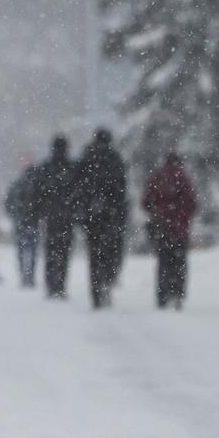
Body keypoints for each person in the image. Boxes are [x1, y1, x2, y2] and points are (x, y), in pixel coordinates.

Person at [72, 128, 130, 309]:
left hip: (91, 214)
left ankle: (96, 290)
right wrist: (119, 211)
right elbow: (121, 187)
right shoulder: (114, 158)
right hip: (110, 215)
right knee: (110, 250)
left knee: (94, 253)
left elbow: (77, 186)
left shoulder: (86, 158)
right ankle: (107, 279)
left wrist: (81, 210)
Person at [142, 151, 199, 310]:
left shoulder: (158, 177)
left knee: (163, 262)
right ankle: (178, 293)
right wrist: (182, 216)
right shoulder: (184, 178)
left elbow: (146, 201)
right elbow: (193, 204)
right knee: (179, 262)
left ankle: (163, 294)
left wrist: (158, 212)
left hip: (163, 228)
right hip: (180, 229)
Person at [31, 134, 76, 299]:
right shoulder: (72, 168)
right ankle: (61, 285)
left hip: (50, 217)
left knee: (51, 252)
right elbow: (78, 193)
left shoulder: (45, 168)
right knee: (64, 253)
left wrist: (37, 213)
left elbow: (36, 193)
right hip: (67, 217)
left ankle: (51, 285)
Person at [4, 161, 41, 288]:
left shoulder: (17, 185)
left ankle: (22, 275)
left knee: (21, 250)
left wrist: (14, 215)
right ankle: (30, 276)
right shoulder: (38, 186)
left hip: (20, 223)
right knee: (33, 251)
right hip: (33, 223)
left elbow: (8, 204)